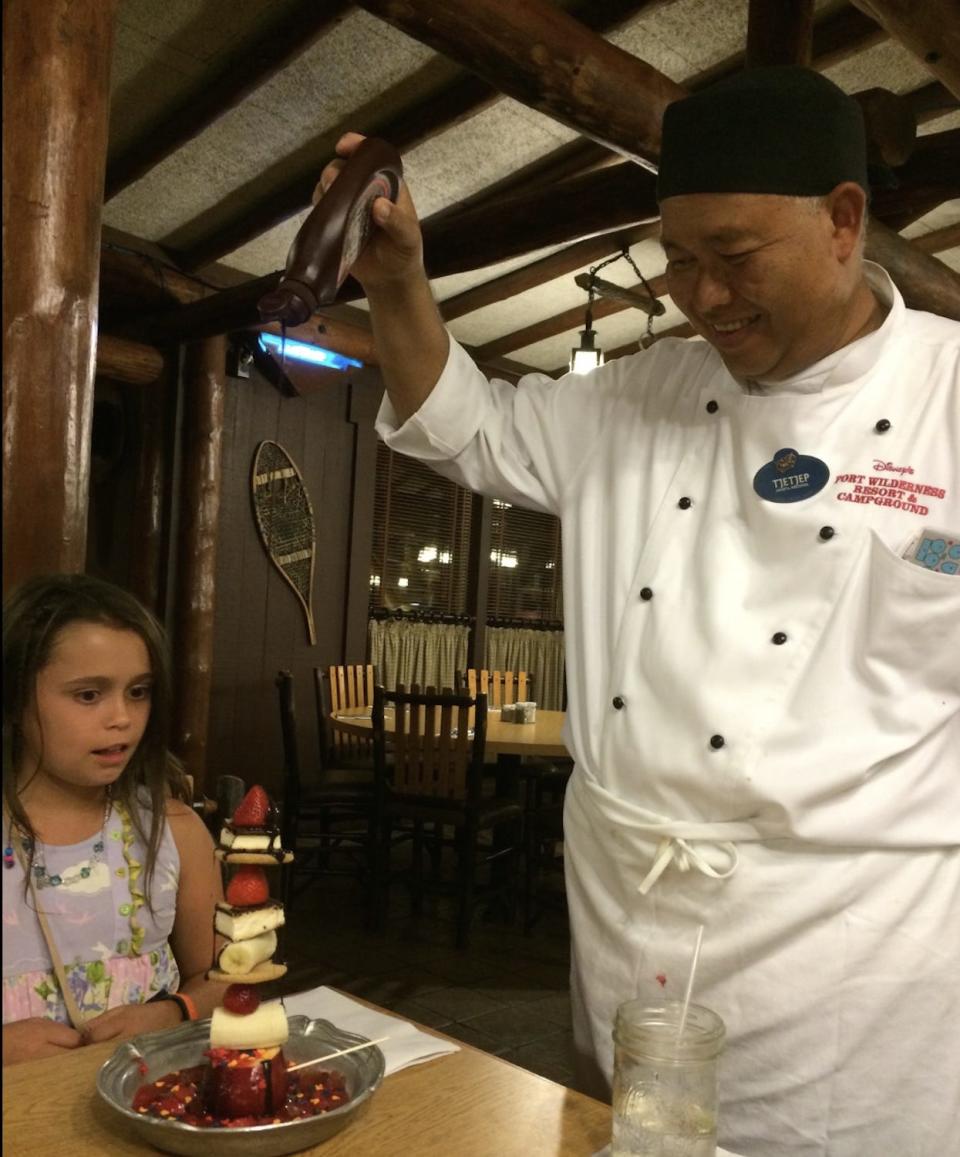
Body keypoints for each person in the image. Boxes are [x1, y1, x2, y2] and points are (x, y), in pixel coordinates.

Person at [317, 65, 960, 1156]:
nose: (703, 296)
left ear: (845, 222)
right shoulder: (636, 393)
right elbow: (463, 424)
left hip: (858, 963)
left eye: (736, 256)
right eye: (681, 261)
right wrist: (395, 286)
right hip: (631, 920)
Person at [2, 573, 224, 1066]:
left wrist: (175, 1011)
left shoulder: (174, 832)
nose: (122, 718)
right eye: (88, 695)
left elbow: (226, 978)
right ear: (15, 698)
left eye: (139, 692)